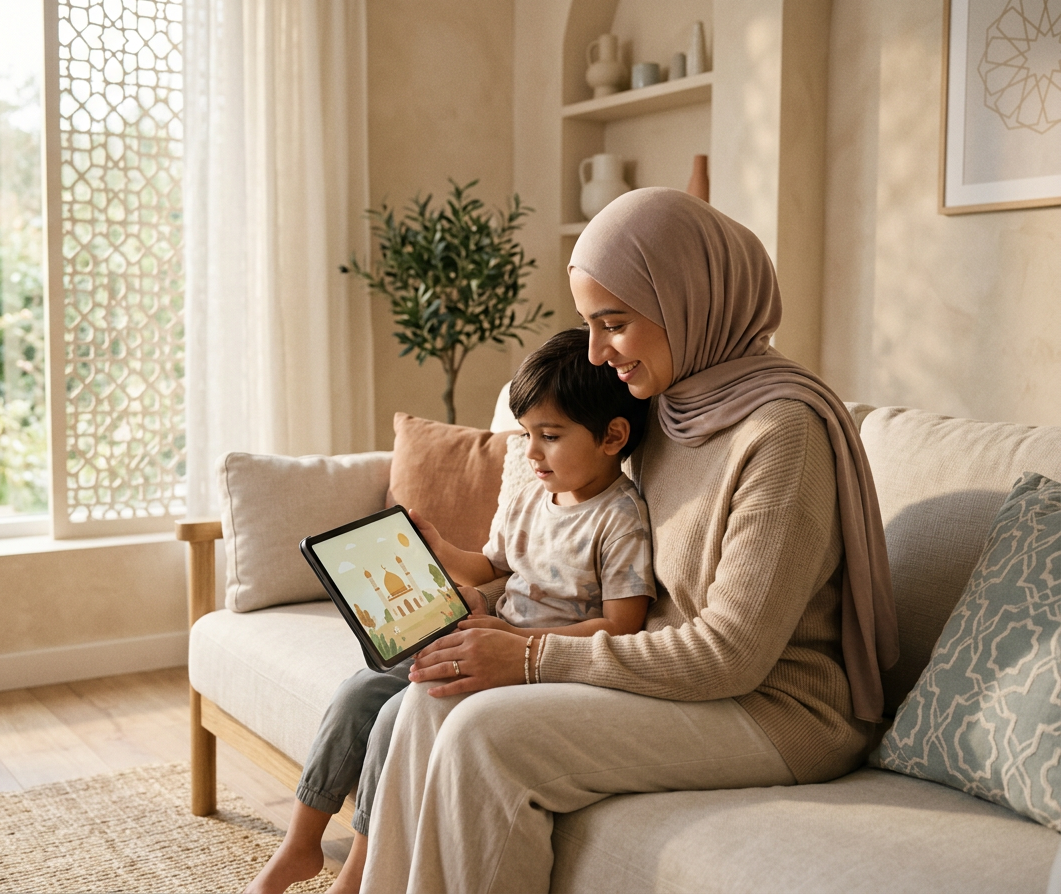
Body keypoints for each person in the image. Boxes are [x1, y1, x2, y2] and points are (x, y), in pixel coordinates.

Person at [358, 188, 901, 894]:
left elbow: (730, 656)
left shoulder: (782, 435)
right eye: (590, 324)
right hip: (669, 677)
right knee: (433, 697)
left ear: (690, 301)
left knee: (485, 734)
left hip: (774, 707)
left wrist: (530, 655)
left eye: (614, 324)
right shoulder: (667, 407)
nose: (596, 352)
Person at [245, 327, 656, 894]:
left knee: (396, 716)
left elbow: (622, 626)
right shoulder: (532, 498)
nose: (532, 453)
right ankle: (299, 847)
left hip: (529, 665)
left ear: (612, 436)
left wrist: (516, 642)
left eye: (550, 436)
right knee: (360, 690)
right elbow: (489, 566)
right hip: (483, 637)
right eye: (527, 435)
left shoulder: (620, 520)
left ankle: (360, 871)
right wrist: (439, 551)